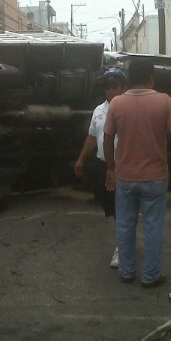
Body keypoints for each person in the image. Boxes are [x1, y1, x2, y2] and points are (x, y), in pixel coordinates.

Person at [103, 59, 171, 288]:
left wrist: (110, 168)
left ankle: (126, 272)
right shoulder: (164, 101)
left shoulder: (116, 104)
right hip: (155, 177)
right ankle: (150, 276)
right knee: (153, 227)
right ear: (151, 78)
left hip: (125, 176)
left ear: (128, 79)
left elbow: (107, 138)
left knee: (125, 225)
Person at [74, 68, 127, 268]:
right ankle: (124, 242)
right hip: (104, 167)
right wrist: (81, 158)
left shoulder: (129, 108)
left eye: (115, 86)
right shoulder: (98, 111)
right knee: (113, 208)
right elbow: (92, 136)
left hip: (125, 168)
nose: (111, 90)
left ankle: (122, 248)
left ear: (123, 87)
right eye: (108, 87)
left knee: (124, 209)